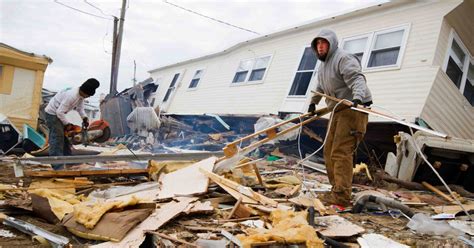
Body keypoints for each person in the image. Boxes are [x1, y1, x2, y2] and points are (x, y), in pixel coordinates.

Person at [308, 29, 372, 207]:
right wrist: (313, 103)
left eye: (323, 43)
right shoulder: (323, 66)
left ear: (331, 44)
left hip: (353, 109)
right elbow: (320, 86)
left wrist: (357, 98)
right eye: (317, 44)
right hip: (337, 109)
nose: (320, 47)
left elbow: (357, 78)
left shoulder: (343, 58)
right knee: (329, 151)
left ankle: (342, 198)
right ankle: (336, 190)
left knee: (340, 152)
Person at [44, 78, 100, 170]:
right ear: (85, 92)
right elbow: (59, 112)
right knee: (57, 140)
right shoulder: (72, 96)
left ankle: (69, 162)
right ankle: (58, 167)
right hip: (52, 114)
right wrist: (67, 124)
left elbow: (80, 109)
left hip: (58, 114)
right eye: (88, 96)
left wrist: (84, 117)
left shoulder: (80, 95)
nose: (88, 97)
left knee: (65, 140)